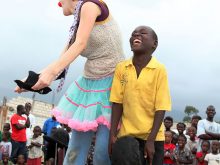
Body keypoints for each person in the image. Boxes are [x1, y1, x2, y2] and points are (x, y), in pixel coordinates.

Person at [15, 0, 124, 164]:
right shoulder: (76, 24)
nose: (58, 2)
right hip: (89, 86)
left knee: (102, 151)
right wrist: (32, 81)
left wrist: (50, 74)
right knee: (75, 149)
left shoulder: (90, 5)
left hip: (112, 85)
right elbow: (62, 62)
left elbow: (81, 44)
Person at [109, 26, 171, 165]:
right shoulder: (121, 67)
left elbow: (161, 108)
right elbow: (117, 103)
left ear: (154, 44)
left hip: (153, 137)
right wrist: (112, 135)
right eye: (134, 34)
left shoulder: (159, 70)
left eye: (143, 33)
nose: (137, 35)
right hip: (126, 136)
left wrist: (150, 140)